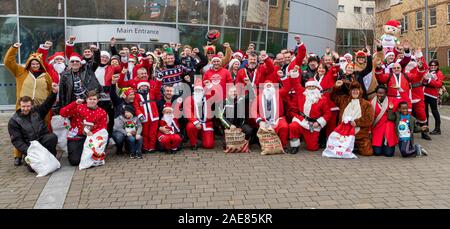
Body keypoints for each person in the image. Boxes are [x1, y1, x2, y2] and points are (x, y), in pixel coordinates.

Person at [4, 42, 53, 166]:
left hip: (40, 109)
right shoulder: (21, 72)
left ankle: (43, 152)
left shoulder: (46, 75)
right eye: (32, 63)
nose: (35, 65)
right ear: (29, 64)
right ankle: (18, 155)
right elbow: (8, 62)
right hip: (23, 107)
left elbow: (50, 89)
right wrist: (14, 48)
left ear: (40, 64)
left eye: (37, 63)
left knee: (41, 130)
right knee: (20, 130)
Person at [8, 83, 59, 170]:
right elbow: (17, 141)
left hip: (42, 140)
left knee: (52, 137)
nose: (25, 108)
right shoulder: (14, 121)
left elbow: (47, 104)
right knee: (32, 169)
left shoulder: (37, 111)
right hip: (30, 147)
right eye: (23, 106)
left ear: (31, 106)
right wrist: (30, 151)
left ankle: (51, 157)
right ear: (20, 106)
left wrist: (54, 93)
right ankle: (28, 159)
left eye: (28, 106)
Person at [59, 91, 107, 166]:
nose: (92, 101)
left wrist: (93, 133)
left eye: (94, 99)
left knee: (93, 158)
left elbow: (103, 127)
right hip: (77, 137)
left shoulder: (102, 112)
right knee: (75, 161)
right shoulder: (79, 107)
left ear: (98, 100)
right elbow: (62, 113)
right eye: (90, 99)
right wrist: (75, 103)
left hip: (92, 138)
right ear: (86, 100)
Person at [288, 76, 331, 153]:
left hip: (313, 124)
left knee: (312, 148)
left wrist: (318, 122)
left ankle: (314, 140)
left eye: (313, 86)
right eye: (309, 87)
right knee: (293, 126)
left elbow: (327, 114)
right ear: (306, 88)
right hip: (302, 121)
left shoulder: (322, 99)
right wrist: (295, 73)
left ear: (317, 88)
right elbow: (296, 83)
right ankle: (295, 146)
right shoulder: (302, 94)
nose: (311, 88)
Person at [332, 81, 375, 156]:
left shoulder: (366, 104)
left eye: (357, 90)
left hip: (360, 135)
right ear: (350, 91)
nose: (355, 92)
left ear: (360, 91)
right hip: (344, 135)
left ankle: (355, 145)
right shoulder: (344, 100)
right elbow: (333, 97)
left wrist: (357, 122)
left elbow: (369, 119)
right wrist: (336, 87)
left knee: (367, 152)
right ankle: (350, 146)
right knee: (337, 150)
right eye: (353, 90)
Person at [253, 80, 290, 152]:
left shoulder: (278, 94)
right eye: (267, 86)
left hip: (277, 119)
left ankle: (282, 146)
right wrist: (259, 121)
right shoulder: (258, 97)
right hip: (264, 120)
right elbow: (253, 111)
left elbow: (287, 88)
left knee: (284, 126)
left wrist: (283, 77)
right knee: (263, 128)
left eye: (270, 86)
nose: (268, 88)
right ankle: (266, 146)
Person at [184, 81, 216, 150]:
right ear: (194, 91)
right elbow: (188, 112)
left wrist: (209, 85)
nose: (198, 92)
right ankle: (193, 143)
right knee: (190, 127)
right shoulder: (189, 99)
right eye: (196, 90)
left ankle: (201, 136)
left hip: (206, 123)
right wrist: (196, 122)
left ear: (203, 91)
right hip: (195, 122)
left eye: (200, 90)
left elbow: (214, 93)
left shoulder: (207, 97)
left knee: (209, 145)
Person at [133, 79, 163, 154]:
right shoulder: (136, 95)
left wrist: (159, 80)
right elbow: (136, 106)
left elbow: (157, 88)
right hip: (144, 117)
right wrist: (140, 114)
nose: (144, 87)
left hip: (154, 116)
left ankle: (152, 147)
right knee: (145, 133)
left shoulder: (152, 92)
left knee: (153, 133)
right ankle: (145, 147)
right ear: (139, 88)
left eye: (145, 86)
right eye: (142, 86)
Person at [371, 85, 398, 157]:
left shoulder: (392, 100)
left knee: (389, 154)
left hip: (388, 129)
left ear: (386, 94)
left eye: (382, 93)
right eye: (378, 93)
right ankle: (381, 145)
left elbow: (405, 100)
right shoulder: (371, 102)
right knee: (377, 153)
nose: (379, 95)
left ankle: (385, 145)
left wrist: (401, 90)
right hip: (377, 129)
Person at [423, 59, 444, 135]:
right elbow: (423, 81)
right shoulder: (427, 71)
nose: (433, 67)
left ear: (437, 66)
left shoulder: (439, 73)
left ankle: (438, 129)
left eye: (434, 65)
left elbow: (439, 84)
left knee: (434, 111)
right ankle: (426, 127)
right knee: (425, 111)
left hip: (433, 94)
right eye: (431, 65)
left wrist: (428, 80)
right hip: (425, 93)